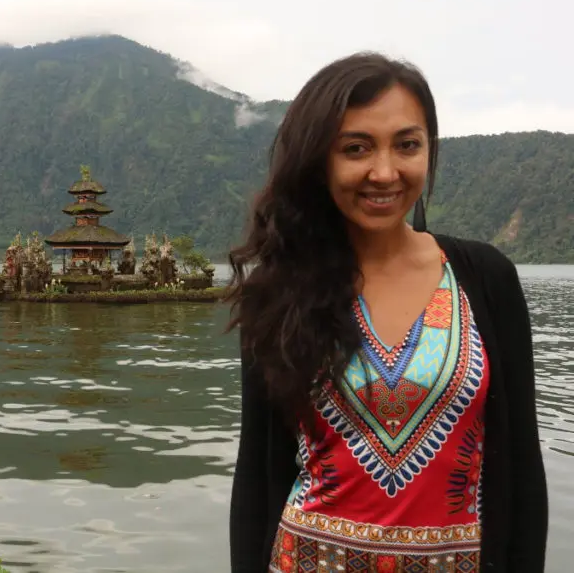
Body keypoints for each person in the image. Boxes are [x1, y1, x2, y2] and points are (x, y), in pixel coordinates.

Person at [226, 52, 547, 572]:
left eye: (407, 145)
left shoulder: (486, 279)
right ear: (319, 161)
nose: (384, 172)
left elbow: (523, 468)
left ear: (428, 151)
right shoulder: (281, 288)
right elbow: (255, 476)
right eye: (356, 148)